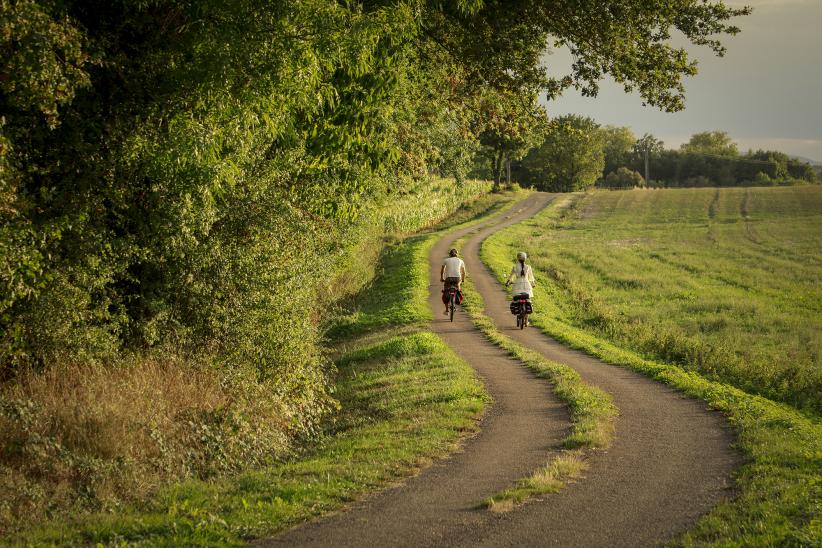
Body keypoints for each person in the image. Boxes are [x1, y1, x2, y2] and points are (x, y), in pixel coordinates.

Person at [506, 251, 536, 324]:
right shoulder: (528, 267)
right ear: (525, 259)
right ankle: (526, 320)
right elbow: (531, 278)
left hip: (517, 286)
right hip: (527, 287)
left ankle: (517, 311)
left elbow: (511, 277)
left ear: (518, 259)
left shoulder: (515, 267)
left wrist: (508, 283)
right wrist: (533, 284)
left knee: (515, 300)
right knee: (528, 301)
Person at [440, 248, 466, 315]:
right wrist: (462, 280)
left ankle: (446, 311)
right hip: (457, 278)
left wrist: (442, 278)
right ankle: (458, 296)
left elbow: (442, 271)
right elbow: (463, 272)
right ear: (457, 254)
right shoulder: (460, 261)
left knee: (446, 291)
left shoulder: (446, 260)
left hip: (448, 278)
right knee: (458, 288)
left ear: (449, 254)